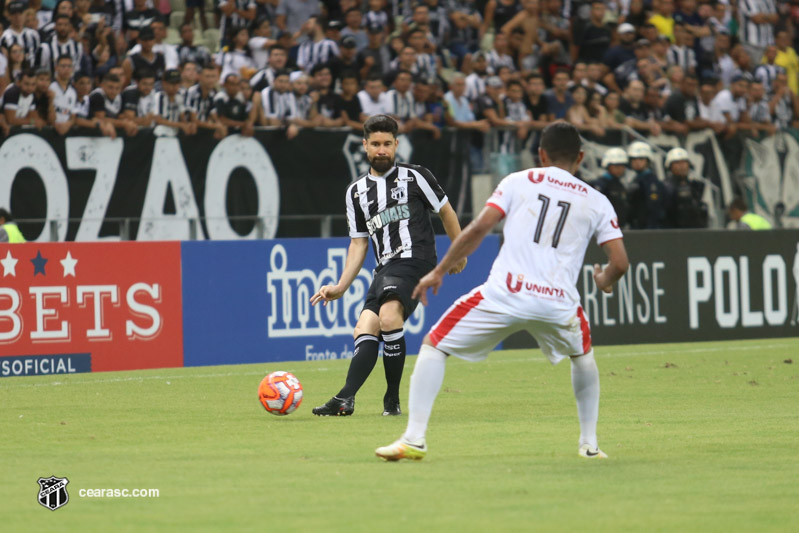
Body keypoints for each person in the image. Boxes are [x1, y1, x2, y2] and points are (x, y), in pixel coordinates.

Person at [374, 121, 629, 461]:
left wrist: (438, 270)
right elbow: (621, 262)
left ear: (541, 154)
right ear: (580, 157)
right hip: (558, 303)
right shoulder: (596, 201)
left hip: (505, 293)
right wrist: (605, 280)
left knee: (434, 345)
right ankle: (590, 444)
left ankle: (414, 438)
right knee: (582, 357)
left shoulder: (518, 181)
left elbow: (479, 228)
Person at [310, 114, 467, 417]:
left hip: (416, 259)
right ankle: (346, 399)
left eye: (387, 144)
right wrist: (341, 287)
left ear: (396, 145)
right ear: (365, 146)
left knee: (389, 315)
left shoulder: (416, 176)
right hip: (384, 268)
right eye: (375, 144)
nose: (381, 150)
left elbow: (446, 212)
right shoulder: (355, 193)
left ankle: (391, 401)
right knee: (365, 327)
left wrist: (457, 253)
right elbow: (359, 243)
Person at [627, 141, 667, 229]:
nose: (637, 162)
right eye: (634, 159)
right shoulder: (635, 179)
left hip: (648, 227)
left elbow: (653, 208)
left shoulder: (651, 181)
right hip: (636, 225)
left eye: (641, 159)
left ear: (648, 161)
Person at [664, 147, 707, 228]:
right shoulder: (665, 187)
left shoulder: (695, 185)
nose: (682, 166)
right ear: (670, 166)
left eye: (684, 162)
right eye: (677, 163)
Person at [593, 147, 630, 229]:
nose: (620, 169)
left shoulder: (620, 184)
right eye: (616, 166)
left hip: (620, 226)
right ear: (608, 165)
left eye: (622, 166)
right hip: (605, 227)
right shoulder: (602, 183)